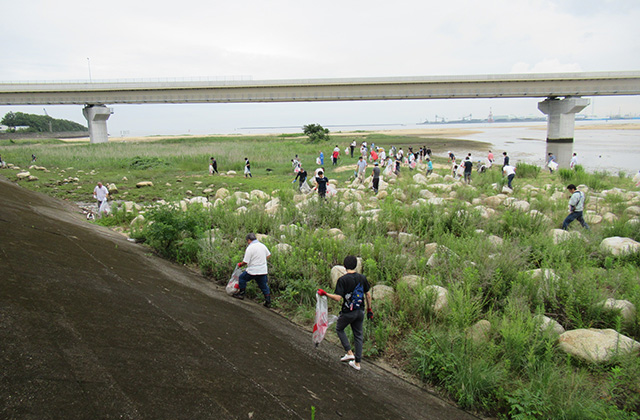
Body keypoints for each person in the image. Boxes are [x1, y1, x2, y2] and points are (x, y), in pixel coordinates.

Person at [317, 256, 372, 371]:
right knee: (358, 335)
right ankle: (357, 364)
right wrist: (369, 310)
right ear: (356, 265)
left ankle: (349, 352)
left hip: (348, 312)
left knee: (339, 328)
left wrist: (325, 294)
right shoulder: (362, 278)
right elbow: (368, 295)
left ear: (345, 266)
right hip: (360, 311)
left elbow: (337, 298)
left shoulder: (342, 280)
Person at [234, 233, 272, 307]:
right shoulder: (262, 246)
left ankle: (241, 294)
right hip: (263, 270)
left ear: (249, 240)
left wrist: (240, 264)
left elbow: (245, 261)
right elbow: (268, 255)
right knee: (264, 285)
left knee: (242, 278)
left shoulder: (250, 248)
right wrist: (262, 260)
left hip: (253, 270)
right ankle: (268, 301)